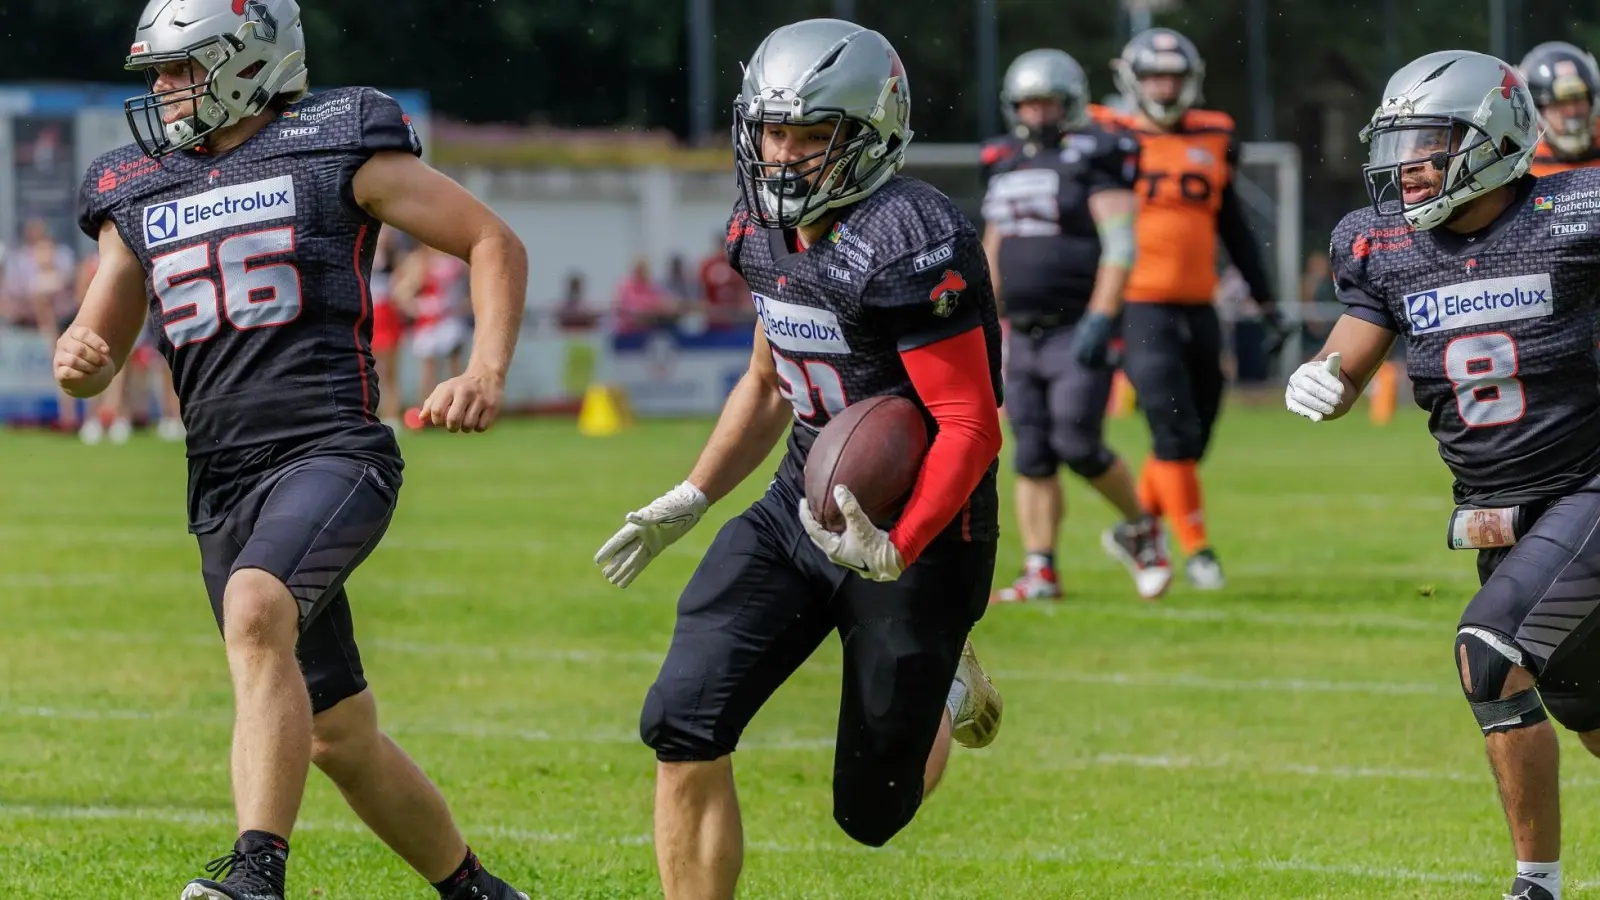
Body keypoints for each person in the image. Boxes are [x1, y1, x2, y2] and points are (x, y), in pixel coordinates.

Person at [55, 2, 529, 898]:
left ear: (247, 61)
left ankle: (253, 876)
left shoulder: (337, 141)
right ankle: (478, 891)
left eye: (177, 70)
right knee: (337, 736)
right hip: (221, 481)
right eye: (155, 72)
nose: (159, 91)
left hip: (331, 452)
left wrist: (487, 369)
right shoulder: (136, 182)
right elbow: (98, 345)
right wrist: (79, 362)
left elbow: (490, 240)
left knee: (254, 607)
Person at [593, 18, 1004, 900]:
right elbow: (770, 378)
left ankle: (941, 687)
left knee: (871, 813)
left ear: (872, 132)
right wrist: (694, 493)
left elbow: (970, 422)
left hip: (919, 520)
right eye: (775, 131)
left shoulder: (910, 237)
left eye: (814, 135)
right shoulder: (759, 229)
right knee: (682, 719)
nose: (785, 154)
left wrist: (901, 544)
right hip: (799, 497)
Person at [1286, 49, 1600, 900]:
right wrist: (1328, 377)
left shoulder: (1578, 212)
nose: (1406, 165)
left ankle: (1536, 886)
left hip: (1590, 487)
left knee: (1490, 654)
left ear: (1493, 137)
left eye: (1428, 142)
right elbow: (1354, 344)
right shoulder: (1382, 243)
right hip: (1503, 514)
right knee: (1590, 714)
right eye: (1398, 143)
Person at [979, 48, 1169, 602]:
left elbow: (1121, 243)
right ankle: (1041, 570)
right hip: (1022, 328)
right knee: (1031, 450)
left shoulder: (1096, 153)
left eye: (1047, 102)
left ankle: (1141, 526)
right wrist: (986, 319)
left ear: (1070, 101)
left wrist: (1102, 314)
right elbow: (994, 244)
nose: (1038, 113)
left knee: (1077, 439)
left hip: (1075, 323)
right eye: (1028, 103)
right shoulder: (1002, 158)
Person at [1095, 28, 1281, 590]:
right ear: (1131, 80)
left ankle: (1140, 525)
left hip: (1200, 304)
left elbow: (1233, 226)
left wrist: (1265, 299)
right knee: (1172, 430)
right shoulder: (1106, 135)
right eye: (1154, 76)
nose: (1164, 87)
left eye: (1173, 77)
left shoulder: (1216, 134)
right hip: (1138, 302)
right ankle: (1198, 552)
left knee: (1193, 436)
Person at [1520, 41, 1600, 175]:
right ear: (1536, 109)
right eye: (1559, 104)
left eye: (1579, 100)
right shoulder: (1522, 164)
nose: (1572, 112)